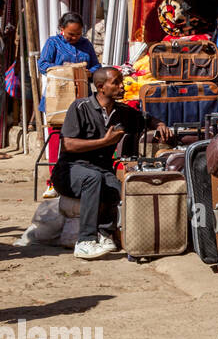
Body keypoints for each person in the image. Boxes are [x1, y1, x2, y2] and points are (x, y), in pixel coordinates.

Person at [52, 67, 169, 260]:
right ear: (100, 87)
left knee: (116, 186)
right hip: (70, 170)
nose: (122, 86)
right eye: (116, 82)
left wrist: (160, 125)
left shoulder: (122, 112)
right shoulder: (80, 107)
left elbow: (147, 120)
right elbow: (67, 145)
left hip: (99, 170)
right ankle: (85, 241)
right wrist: (104, 142)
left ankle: (104, 234)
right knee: (94, 178)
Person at [37, 12, 101, 198]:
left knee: (80, 139)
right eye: (71, 34)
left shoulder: (86, 45)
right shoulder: (53, 43)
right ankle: (54, 182)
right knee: (57, 140)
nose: (74, 38)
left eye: (78, 34)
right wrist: (62, 70)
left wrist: (88, 71)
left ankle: (78, 180)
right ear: (61, 29)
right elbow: (42, 64)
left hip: (81, 99)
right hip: (58, 99)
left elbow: (96, 66)